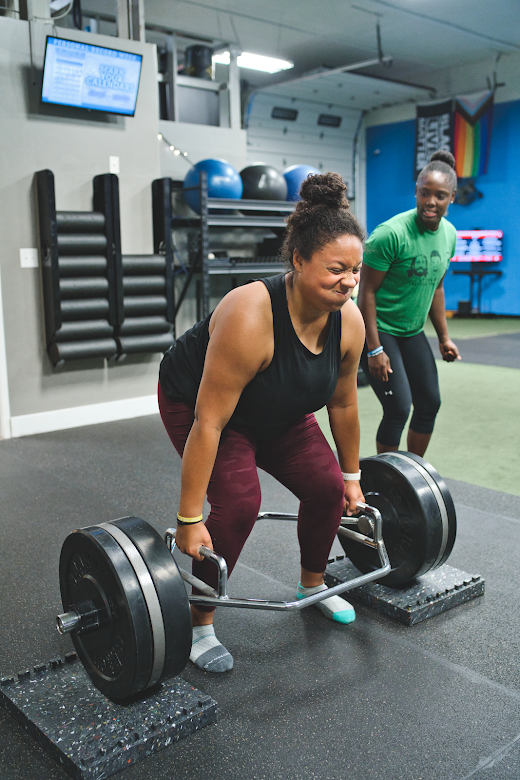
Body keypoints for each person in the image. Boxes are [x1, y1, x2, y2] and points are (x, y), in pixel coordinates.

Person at [158, 172, 366, 673]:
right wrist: (189, 519)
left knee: (325, 486)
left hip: (281, 410)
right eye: (337, 269)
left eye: (356, 270)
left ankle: (312, 585)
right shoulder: (251, 312)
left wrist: (353, 478)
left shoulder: (349, 321)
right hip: (204, 408)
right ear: (298, 260)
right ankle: (201, 620)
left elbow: (342, 404)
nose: (349, 281)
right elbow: (209, 421)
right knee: (240, 502)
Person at [357, 150, 461, 457]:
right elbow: (367, 293)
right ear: (416, 192)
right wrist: (374, 348)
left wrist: (443, 337)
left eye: (440, 196)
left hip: (412, 330)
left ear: (451, 198)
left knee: (429, 403)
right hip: (380, 329)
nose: (431, 202)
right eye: (425, 193)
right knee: (398, 408)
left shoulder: (450, 235)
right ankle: (385, 478)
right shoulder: (390, 235)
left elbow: (436, 287)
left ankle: (413, 473)